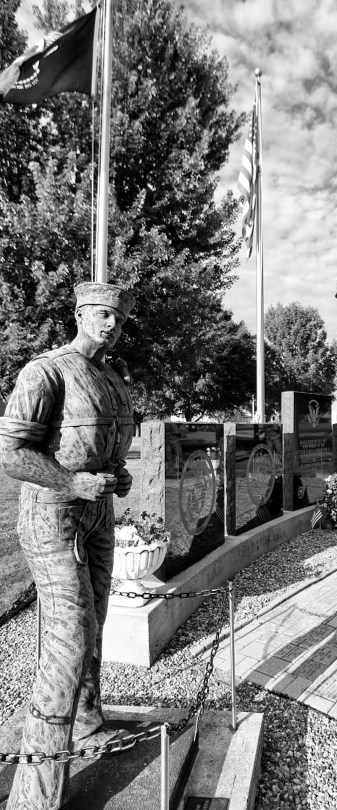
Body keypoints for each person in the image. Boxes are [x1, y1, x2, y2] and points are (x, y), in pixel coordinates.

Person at [0, 282, 135, 810]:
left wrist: (118, 475)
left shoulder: (114, 380)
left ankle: (86, 720)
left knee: (95, 621)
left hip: (98, 515)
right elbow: (10, 453)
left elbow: (106, 448)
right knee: (69, 635)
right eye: (102, 313)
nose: (111, 324)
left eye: (118, 317)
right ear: (80, 314)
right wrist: (71, 481)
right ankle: (36, 784)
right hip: (52, 515)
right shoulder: (46, 371)